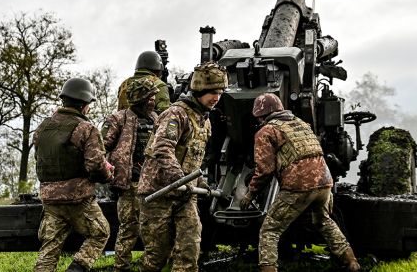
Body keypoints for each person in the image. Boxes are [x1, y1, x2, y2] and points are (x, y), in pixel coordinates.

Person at [240, 93, 361, 272]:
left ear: (260, 115)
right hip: (324, 182)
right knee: (324, 222)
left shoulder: (266, 131)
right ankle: (352, 263)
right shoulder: (302, 124)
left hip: (298, 186)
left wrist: (249, 195)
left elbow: (264, 170)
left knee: (270, 230)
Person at [137, 61, 228, 272]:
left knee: (189, 249)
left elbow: (195, 158)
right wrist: (180, 178)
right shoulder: (176, 114)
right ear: (198, 90)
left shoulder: (204, 120)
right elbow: (162, 148)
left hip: (185, 195)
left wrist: (201, 183)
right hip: (159, 193)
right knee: (156, 256)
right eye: (212, 92)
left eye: (220, 93)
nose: (217, 98)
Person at [33, 77, 114, 272]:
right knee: (101, 232)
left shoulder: (42, 128)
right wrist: (108, 174)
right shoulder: (86, 129)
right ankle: (76, 269)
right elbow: (95, 166)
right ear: (84, 104)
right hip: (78, 199)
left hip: (50, 199)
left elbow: (41, 158)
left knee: (49, 249)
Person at [101, 78, 159, 272]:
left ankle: (149, 267)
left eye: (154, 96)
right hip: (128, 185)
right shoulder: (119, 119)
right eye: (150, 96)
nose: (153, 100)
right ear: (140, 98)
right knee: (128, 228)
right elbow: (101, 148)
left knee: (152, 229)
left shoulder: (156, 119)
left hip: (151, 185)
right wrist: (107, 172)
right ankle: (121, 267)